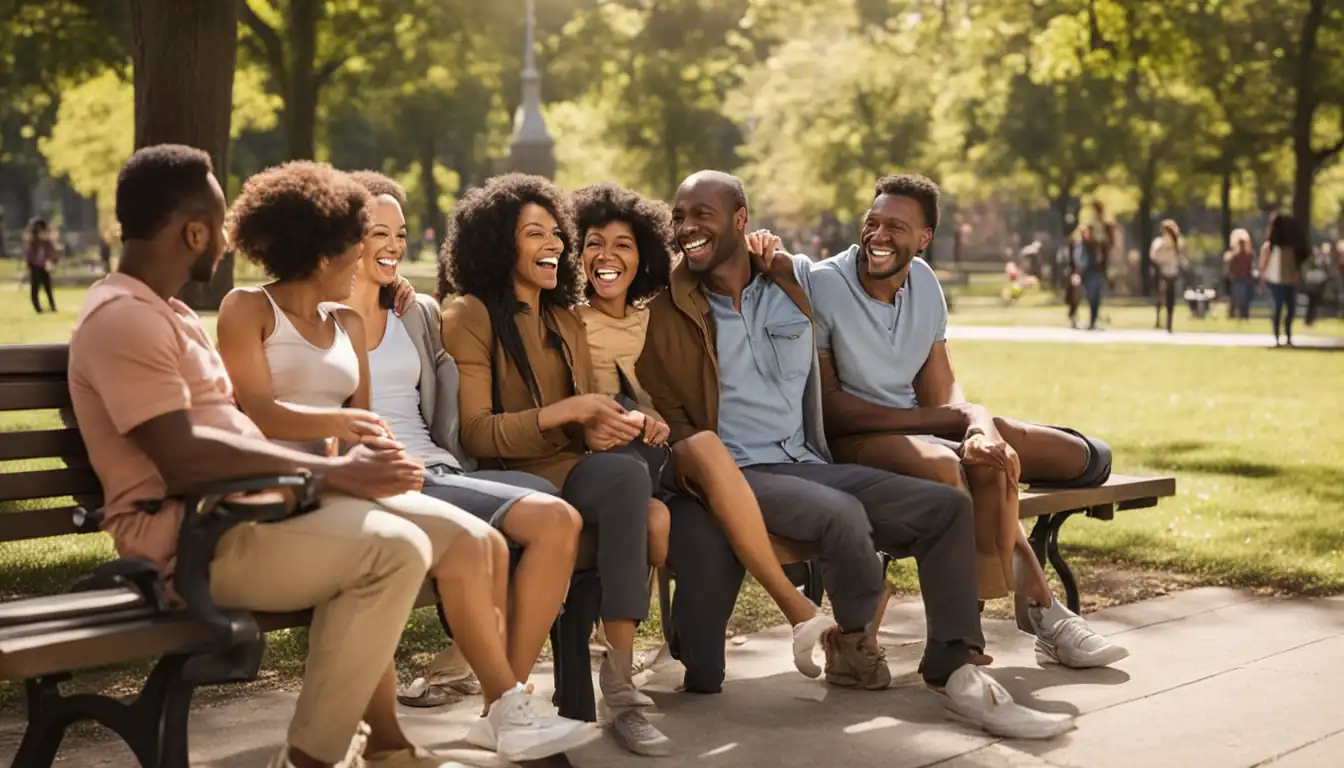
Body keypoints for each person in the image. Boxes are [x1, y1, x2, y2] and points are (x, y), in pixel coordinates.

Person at [637, 169, 1074, 740]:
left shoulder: (794, 284)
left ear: (741, 221)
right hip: (739, 472)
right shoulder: (669, 309)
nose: (686, 226)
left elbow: (856, 284)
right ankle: (853, 633)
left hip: (810, 462)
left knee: (945, 508)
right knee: (840, 515)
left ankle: (955, 665)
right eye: (679, 215)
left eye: (702, 215)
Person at [212, 159, 598, 765]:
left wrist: (386, 460)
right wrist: (342, 427)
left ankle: (504, 711)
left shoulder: (344, 320)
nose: (374, 252)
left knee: (483, 544)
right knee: (430, 552)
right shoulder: (246, 307)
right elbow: (256, 409)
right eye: (359, 239)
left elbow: (368, 424)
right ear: (323, 250)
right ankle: (488, 716)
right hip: (292, 486)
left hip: (351, 478)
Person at [767, 173, 1126, 678]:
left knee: (1035, 452)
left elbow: (943, 389)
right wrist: (955, 421)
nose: (878, 235)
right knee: (950, 465)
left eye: (896, 226)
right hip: (856, 444)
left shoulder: (926, 285)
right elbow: (833, 409)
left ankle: (1083, 464)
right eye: (872, 223)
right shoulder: (825, 283)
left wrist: (977, 427)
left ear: (924, 238)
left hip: (921, 427)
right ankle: (1040, 611)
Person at [438, 174, 670, 756]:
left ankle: (619, 686)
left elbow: (580, 423)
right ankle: (507, 702)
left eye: (556, 232)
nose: (555, 245)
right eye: (533, 233)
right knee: (622, 487)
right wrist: (568, 410)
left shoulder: (563, 319)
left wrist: (609, 421)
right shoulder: (469, 314)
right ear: (498, 244)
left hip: (567, 467)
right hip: (501, 477)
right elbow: (477, 432)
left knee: (627, 474)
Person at [571, 182, 837, 677]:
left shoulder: (657, 314)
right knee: (701, 459)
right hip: (614, 455)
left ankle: (783, 611)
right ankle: (796, 607)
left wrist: (766, 255)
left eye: (623, 245)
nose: (606, 257)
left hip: (670, 454)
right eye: (593, 244)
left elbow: (712, 287)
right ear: (577, 252)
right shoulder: (568, 322)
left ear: (644, 253)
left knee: (705, 455)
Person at [342, 170, 583, 696]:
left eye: (401, 233)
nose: (394, 247)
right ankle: (505, 696)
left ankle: (493, 684)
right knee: (549, 514)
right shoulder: (316, 319)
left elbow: (445, 409)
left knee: (551, 504)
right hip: (384, 476)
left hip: (439, 467)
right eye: (378, 233)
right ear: (345, 236)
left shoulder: (415, 313)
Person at [1260, 212, 1306, 347]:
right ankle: (1287, 335)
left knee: (1277, 309)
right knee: (1289, 309)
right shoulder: (1293, 246)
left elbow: (1264, 263)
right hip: (1290, 280)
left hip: (1275, 281)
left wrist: (1263, 276)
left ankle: (1277, 336)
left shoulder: (1271, 246)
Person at [1150, 219, 1187, 333]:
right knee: (1160, 296)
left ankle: (1169, 324)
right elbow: (1154, 256)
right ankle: (1159, 319)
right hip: (1162, 271)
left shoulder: (1178, 244)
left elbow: (1182, 260)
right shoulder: (1159, 243)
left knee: (1170, 298)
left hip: (1172, 273)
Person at [24, 217, 58, 313]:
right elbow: (29, 254)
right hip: (35, 267)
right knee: (35, 288)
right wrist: (29, 264)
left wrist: (53, 261)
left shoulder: (47, 243)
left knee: (48, 287)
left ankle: (52, 306)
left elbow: (52, 253)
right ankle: (37, 307)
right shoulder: (33, 243)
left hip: (44, 267)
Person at [1224, 228, 1256, 321]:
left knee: (1245, 298)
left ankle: (1244, 315)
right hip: (1237, 279)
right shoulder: (1234, 256)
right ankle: (1234, 313)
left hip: (1246, 278)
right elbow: (1231, 267)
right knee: (1238, 297)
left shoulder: (1249, 255)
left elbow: (1250, 267)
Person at [1302, 243, 1331, 326]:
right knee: (1311, 303)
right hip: (1312, 287)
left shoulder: (1322, 260)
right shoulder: (1310, 261)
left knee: (1314, 303)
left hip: (1318, 287)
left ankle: (1311, 319)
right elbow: (1306, 273)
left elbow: (1326, 271)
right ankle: (1308, 320)